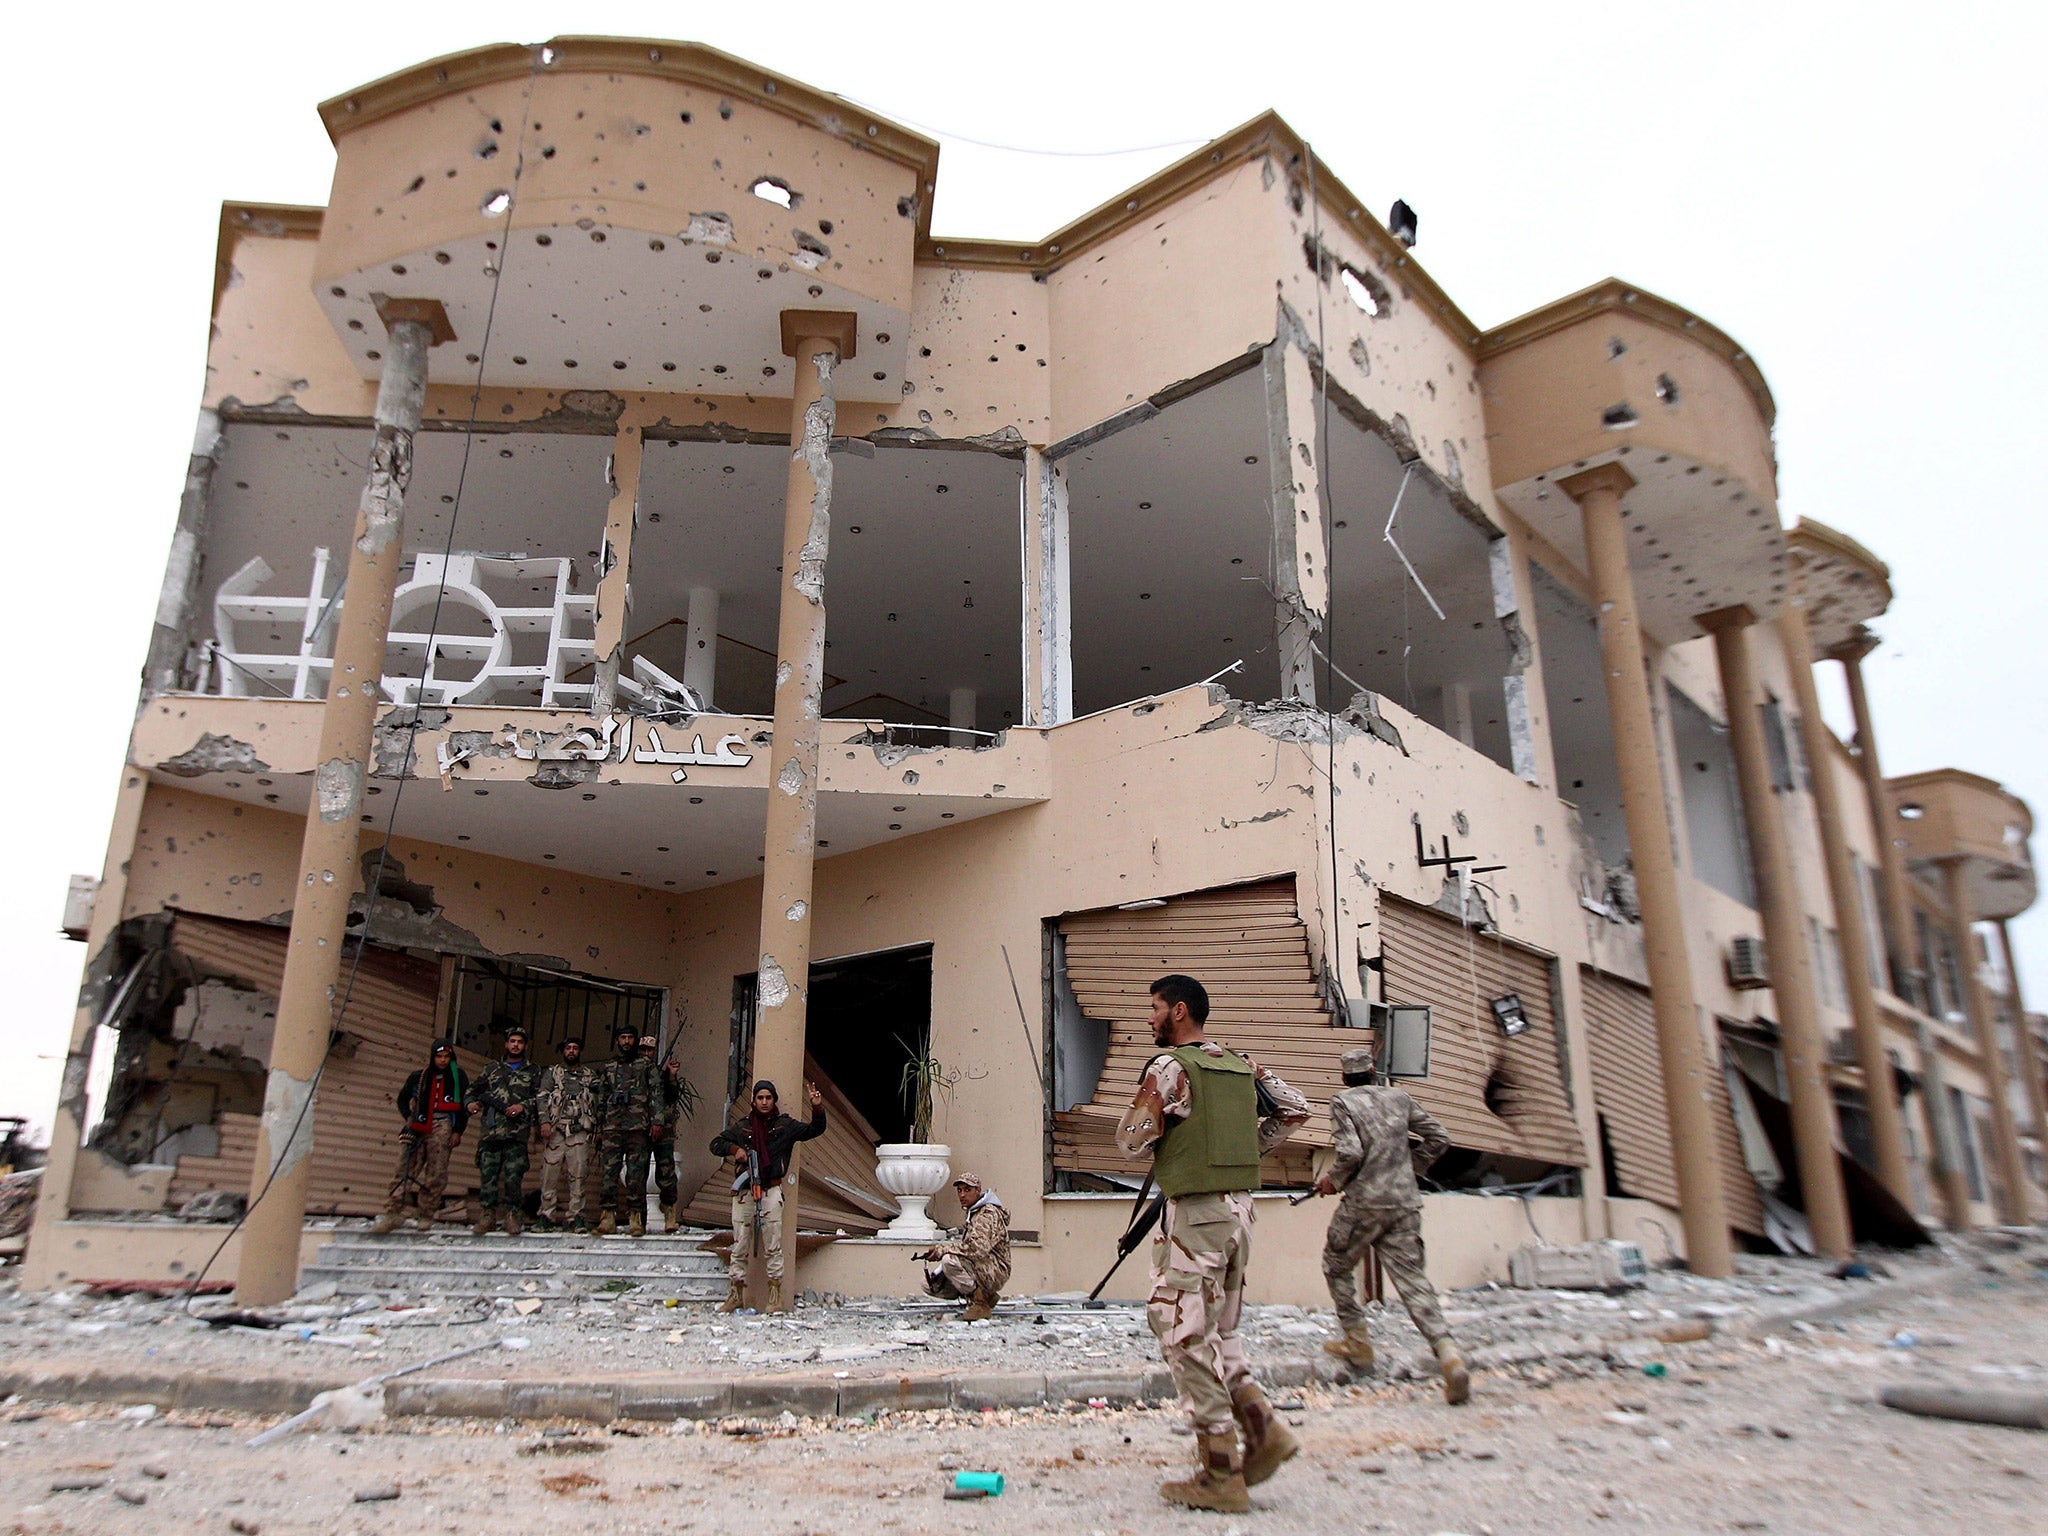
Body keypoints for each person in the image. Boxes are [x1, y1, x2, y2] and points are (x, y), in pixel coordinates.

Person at [1119, 973, 1310, 1513]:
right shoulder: (1240, 1064)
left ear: (1179, 1012)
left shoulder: (1169, 1067)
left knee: (1181, 1332)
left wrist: (1155, 1115)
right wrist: (1243, 1146)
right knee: (1221, 1331)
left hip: (1197, 1214)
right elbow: (1295, 1108)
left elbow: (1133, 1141)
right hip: (1240, 1210)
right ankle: (1264, 1431)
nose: (1148, 1019)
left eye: (1154, 1008)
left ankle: (1220, 1471)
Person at [1316, 1043, 1470, 1404]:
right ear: (1373, 1072)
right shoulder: (1400, 1098)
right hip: (1404, 1203)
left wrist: (1332, 1181)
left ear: (1345, 1077)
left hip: (1364, 1203)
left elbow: (1351, 1153)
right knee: (1414, 1281)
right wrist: (1411, 1170)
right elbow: (1439, 1137)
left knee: (1336, 1266)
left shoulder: (1343, 1102)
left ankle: (1357, 1341)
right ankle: (1448, 1353)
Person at [707, 1078, 826, 1312]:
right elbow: (716, 1144)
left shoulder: (785, 1126)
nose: (764, 1102)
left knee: (773, 1244)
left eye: (768, 1098)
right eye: (760, 1098)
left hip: (771, 1190)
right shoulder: (743, 1127)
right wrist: (736, 1150)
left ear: (774, 1100)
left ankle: (775, 1295)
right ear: (753, 1101)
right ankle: (735, 1294)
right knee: (740, 1243)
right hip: (745, 1192)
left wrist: (817, 1107)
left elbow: (815, 1130)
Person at [371, 1038, 467, 1234]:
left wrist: (458, 1131)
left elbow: (464, 1107)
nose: (442, 1060)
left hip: (443, 1125)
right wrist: (408, 1118)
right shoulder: (419, 1076)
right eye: (438, 1056)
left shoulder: (458, 1077)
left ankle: (425, 1214)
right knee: (405, 1168)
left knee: (436, 1171)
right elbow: (402, 1099)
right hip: (418, 1124)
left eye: (446, 1057)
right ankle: (393, 1212)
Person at [592, 1023, 667, 1236]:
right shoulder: (609, 1067)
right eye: (623, 1038)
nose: (626, 1042)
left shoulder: (646, 1065)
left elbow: (656, 1094)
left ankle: (636, 1219)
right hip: (612, 1128)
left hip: (638, 1127)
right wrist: (598, 1128)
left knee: (636, 1175)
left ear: (635, 1040)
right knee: (609, 1174)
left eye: (630, 1038)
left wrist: (657, 1122)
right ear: (617, 1041)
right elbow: (601, 1099)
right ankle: (607, 1217)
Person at [467, 1025, 539, 1236]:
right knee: (488, 1176)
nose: (516, 1045)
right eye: (512, 1041)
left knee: (513, 1177)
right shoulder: (491, 1069)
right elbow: (473, 1091)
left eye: (520, 1042)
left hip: (516, 1134)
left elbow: (540, 1099)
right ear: (507, 1044)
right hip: (491, 1132)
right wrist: (471, 1104)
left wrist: (522, 1107)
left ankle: (512, 1215)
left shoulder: (532, 1071)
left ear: (525, 1045)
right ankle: (487, 1215)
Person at [918, 1172, 1011, 1321]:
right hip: (983, 1266)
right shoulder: (974, 1212)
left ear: (978, 1191)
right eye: (959, 1190)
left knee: (949, 1261)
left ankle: (981, 1304)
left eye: (967, 1190)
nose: (962, 1195)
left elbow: (977, 1249)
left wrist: (942, 1250)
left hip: (995, 1269)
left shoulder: (986, 1214)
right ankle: (985, 1296)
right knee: (930, 1284)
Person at [534, 1036, 596, 1233]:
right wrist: (544, 1121)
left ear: (580, 1051)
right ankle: (546, 1214)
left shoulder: (589, 1075)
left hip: (579, 1130)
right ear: (563, 1051)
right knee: (548, 1174)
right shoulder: (553, 1073)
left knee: (578, 1175)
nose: (571, 1051)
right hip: (556, 1130)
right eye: (568, 1048)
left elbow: (599, 1101)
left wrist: (598, 1128)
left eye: (575, 1048)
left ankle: (576, 1216)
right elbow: (542, 1097)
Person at [642, 1032, 683, 1229]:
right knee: (637, 1172)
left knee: (666, 1171)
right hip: (639, 1129)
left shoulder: (662, 1074)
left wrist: (671, 1076)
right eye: (643, 1050)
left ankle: (669, 1213)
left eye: (650, 1050)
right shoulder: (633, 1073)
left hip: (663, 1130)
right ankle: (637, 1217)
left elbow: (673, 1096)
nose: (646, 1053)